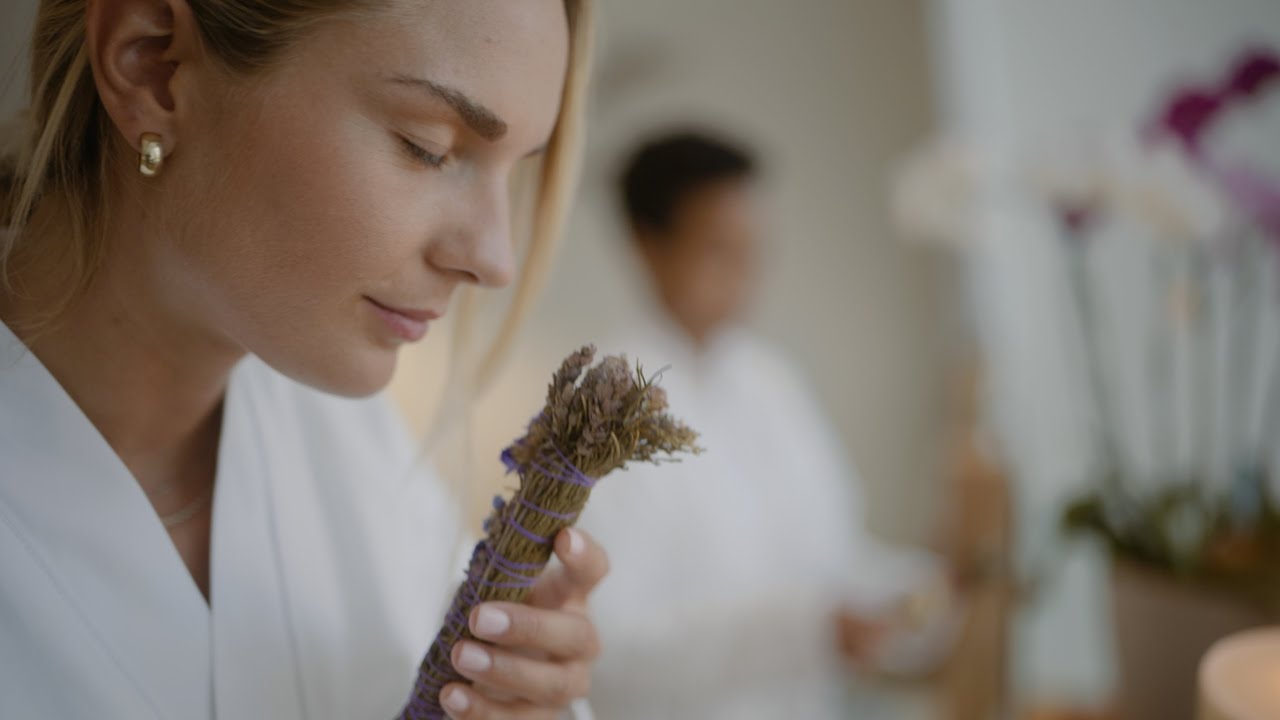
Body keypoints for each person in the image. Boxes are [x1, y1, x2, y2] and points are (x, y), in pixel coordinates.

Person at [0, 1, 607, 718]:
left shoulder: (365, 465)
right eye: (427, 145)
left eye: (514, 173)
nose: (494, 260)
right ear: (153, 66)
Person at [578, 131, 948, 719]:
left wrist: (922, 586)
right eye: (721, 249)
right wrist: (806, 630)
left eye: (756, 249)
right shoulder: (600, 410)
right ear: (647, 245)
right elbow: (609, 645)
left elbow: (837, 555)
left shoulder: (771, 379)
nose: (747, 274)